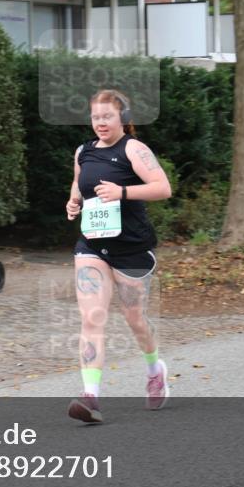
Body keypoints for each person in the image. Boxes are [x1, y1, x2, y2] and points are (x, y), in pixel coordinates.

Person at [65, 89, 172, 424]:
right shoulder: (83, 151)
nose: (100, 123)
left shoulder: (134, 149)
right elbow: (78, 185)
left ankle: (155, 371)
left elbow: (163, 187)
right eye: (95, 117)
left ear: (122, 118)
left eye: (107, 117)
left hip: (132, 249)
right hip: (92, 247)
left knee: (134, 319)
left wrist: (121, 192)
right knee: (92, 317)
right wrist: (73, 204)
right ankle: (91, 397)